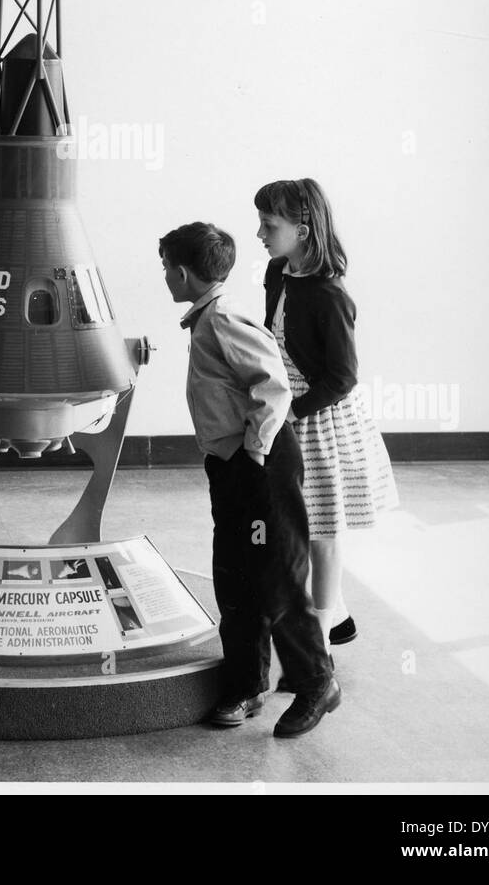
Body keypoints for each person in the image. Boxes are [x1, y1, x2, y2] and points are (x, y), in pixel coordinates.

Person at [159, 221, 340, 737]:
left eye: (166, 268)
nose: (165, 278)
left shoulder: (225, 318)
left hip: (260, 463)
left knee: (277, 577)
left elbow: (273, 384)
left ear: (184, 272)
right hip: (231, 464)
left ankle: (316, 683)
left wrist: (254, 455)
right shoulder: (205, 318)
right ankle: (245, 684)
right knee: (235, 574)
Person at [254, 178, 398, 670]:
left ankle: (321, 646)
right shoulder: (277, 272)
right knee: (294, 524)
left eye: (269, 225)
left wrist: (292, 411)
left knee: (321, 532)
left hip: (320, 421)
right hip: (289, 413)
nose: (260, 234)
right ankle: (335, 617)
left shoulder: (330, 295)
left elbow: (342, 377)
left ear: (304, 228)